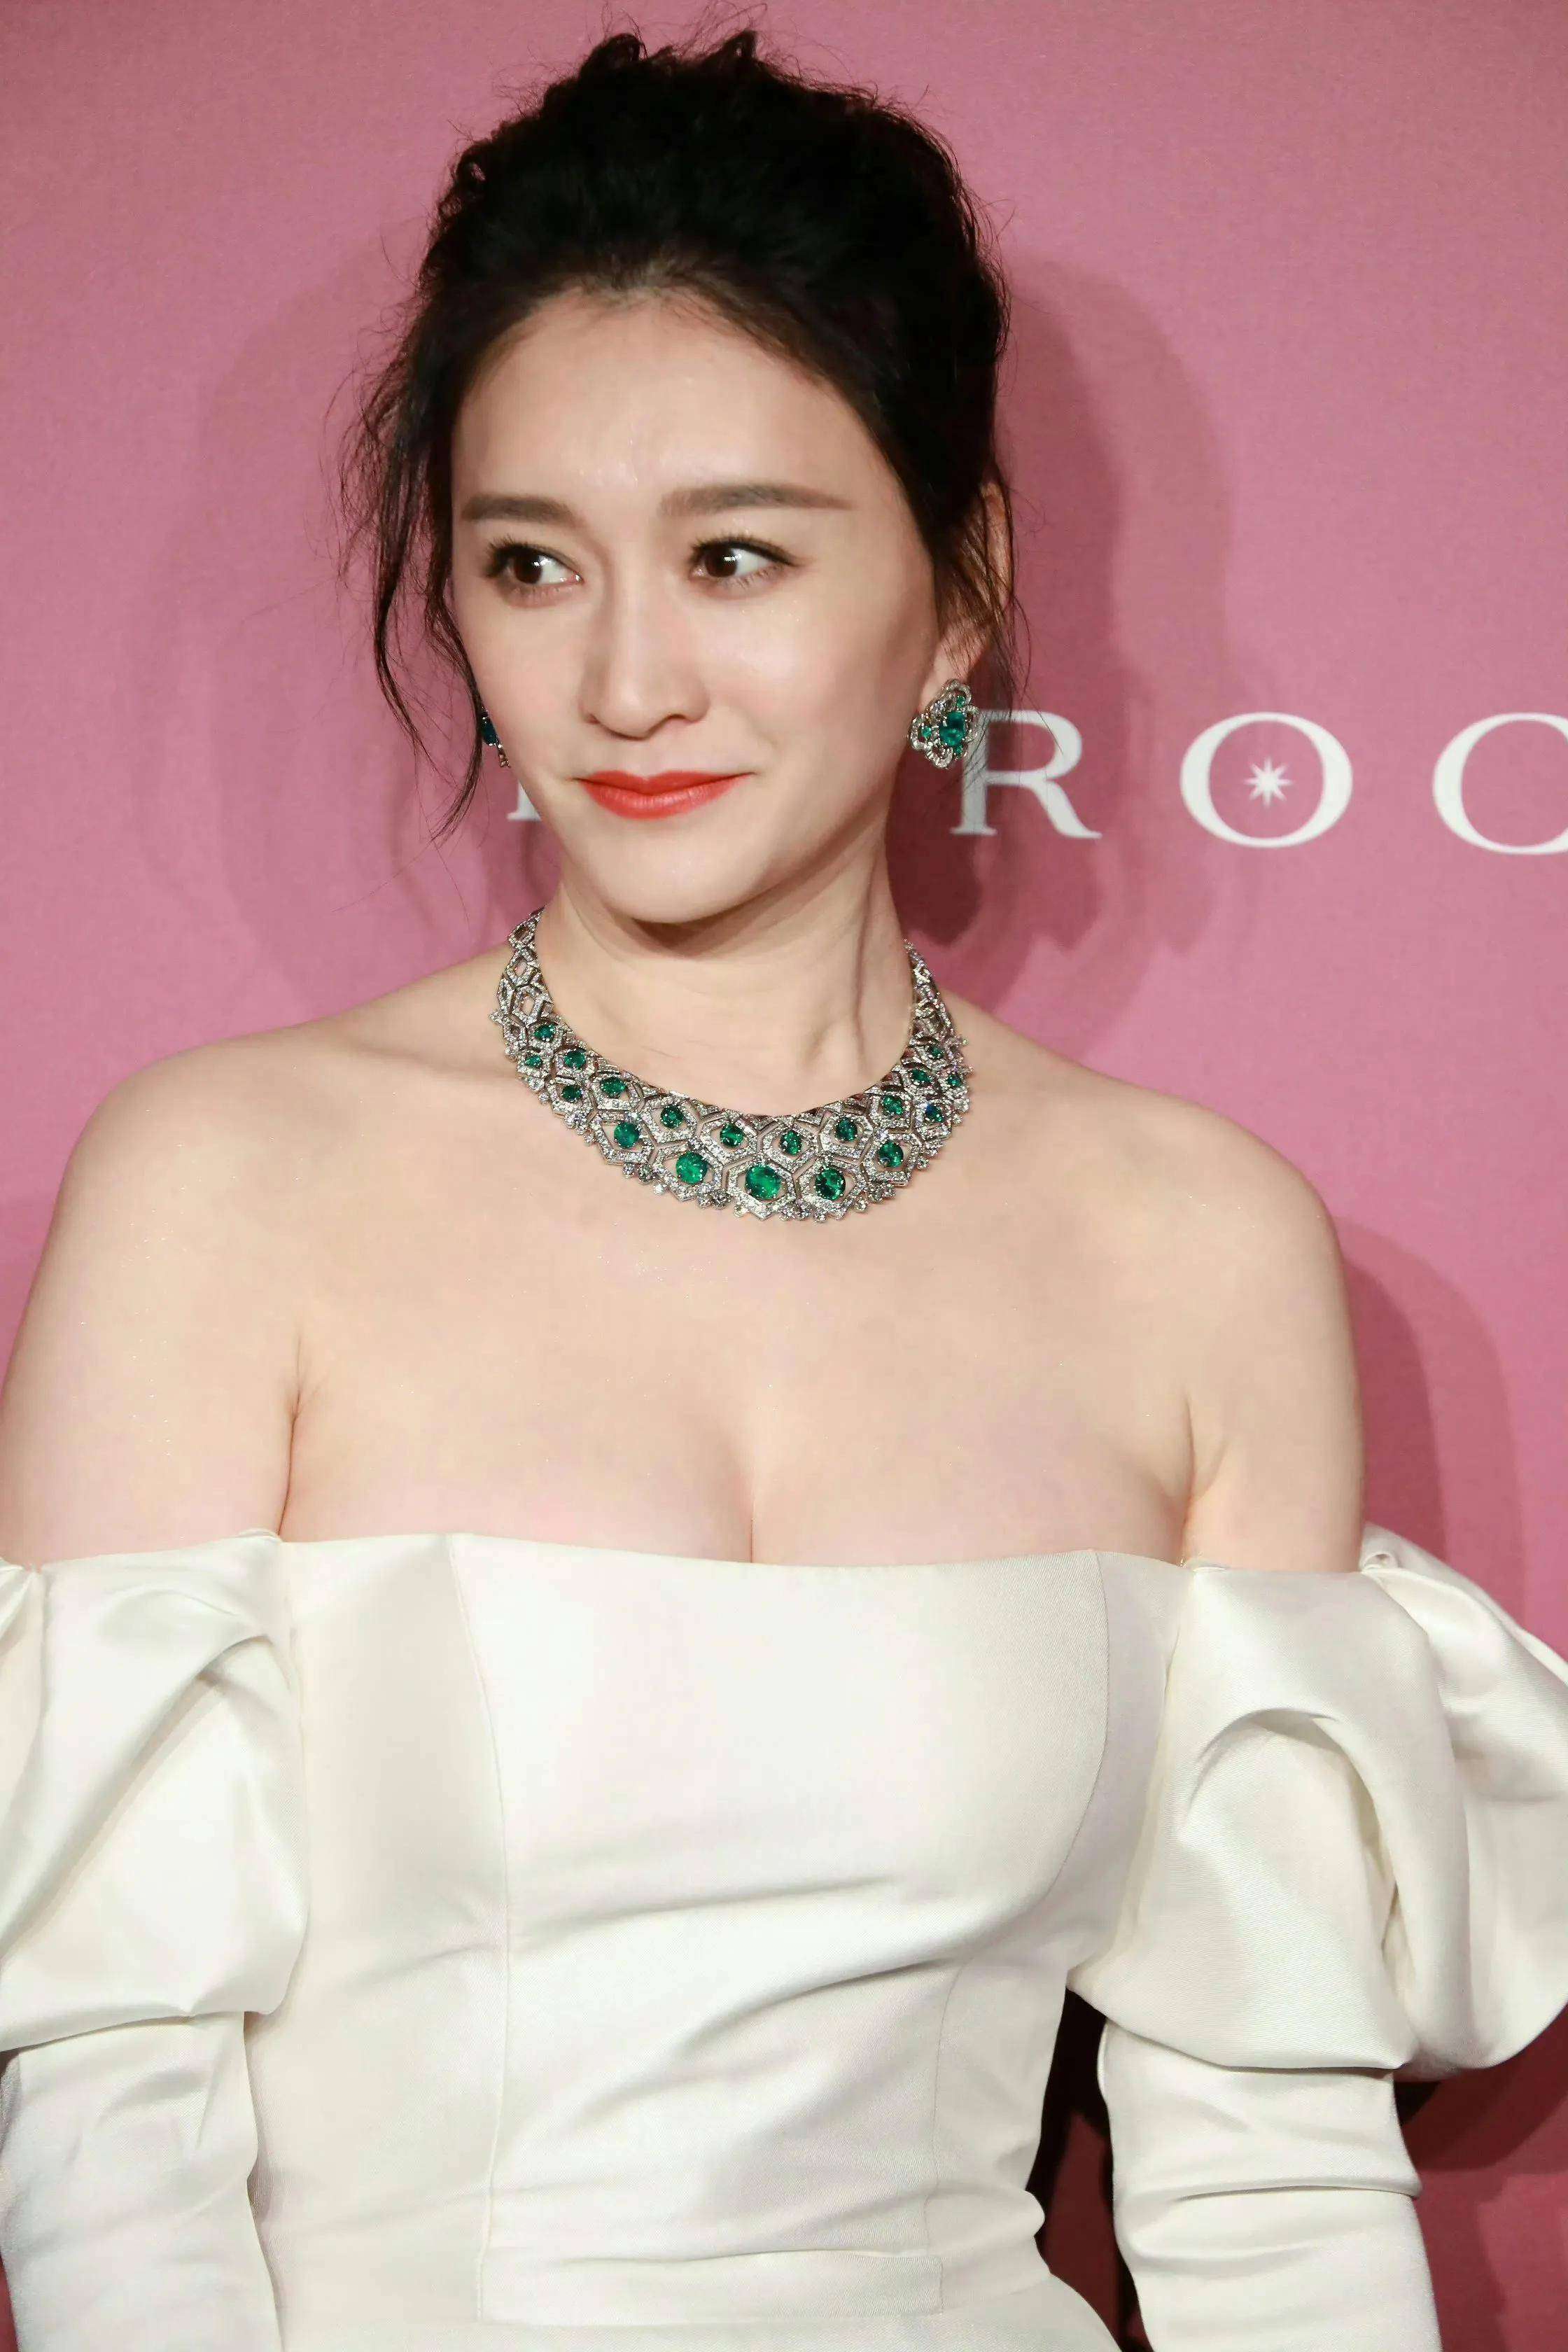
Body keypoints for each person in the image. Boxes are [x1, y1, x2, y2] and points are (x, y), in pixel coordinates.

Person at [1, 24, 1565, 2352]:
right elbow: (110, 2130)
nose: (627, 679)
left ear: (960, 588)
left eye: (735, 555)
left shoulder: (1196, 1244)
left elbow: (1271, 2173)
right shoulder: (225, 1187)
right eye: (532, 564)